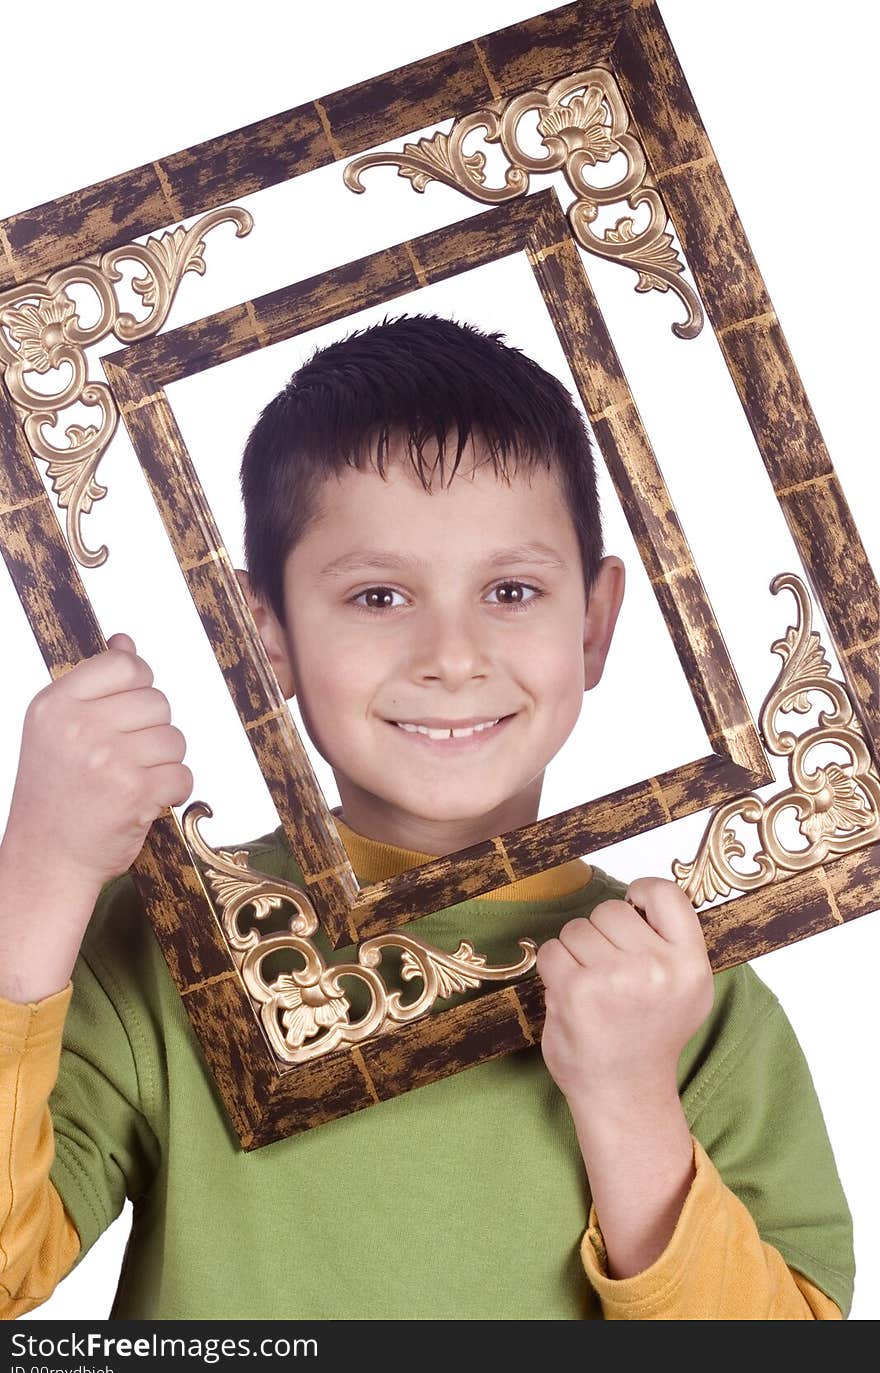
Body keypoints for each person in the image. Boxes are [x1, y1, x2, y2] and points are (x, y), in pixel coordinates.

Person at [0, 315, 853, 1320]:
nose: (451, 655)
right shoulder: (171, 948)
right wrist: (41, 874)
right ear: (259, 632)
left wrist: (628, 1101)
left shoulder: (685, 987)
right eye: (376, 595)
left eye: (509, 589)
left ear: (594, 622)